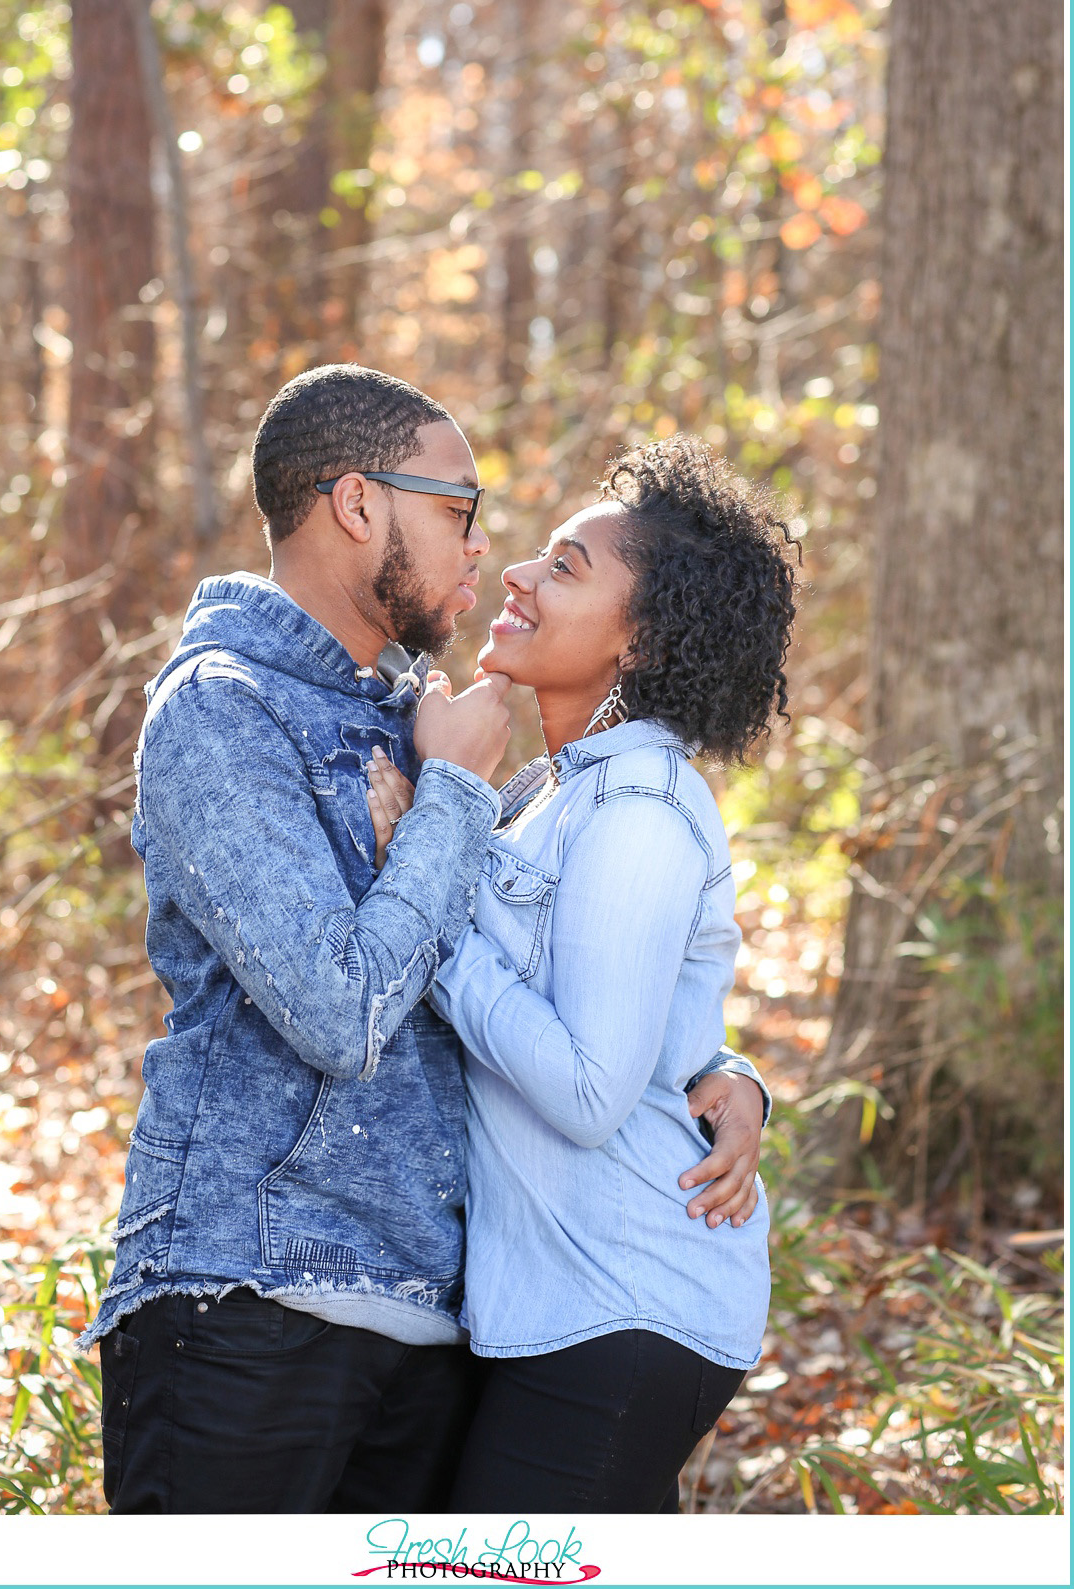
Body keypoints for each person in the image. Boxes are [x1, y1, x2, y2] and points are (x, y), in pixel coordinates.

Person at [79, 366, 768, 1515]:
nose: (485, 550)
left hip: (438, 1320)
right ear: (357, 504)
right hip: (248, 1302)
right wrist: (448, 790)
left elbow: (580, 971)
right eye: (459, 508)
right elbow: (339, 1011)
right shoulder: (222, 706)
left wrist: (715, 1066)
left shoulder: (433, 718)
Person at [367, 436, 796, 1512]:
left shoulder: (638, 812)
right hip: (574, 1297)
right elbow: (656, 1032)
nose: (514, 573)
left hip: (627, 1302)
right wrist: (735, 1074)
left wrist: (425, 906)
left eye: (564, 568)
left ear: (640, 635)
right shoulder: (552, 791)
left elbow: (595, 1088)